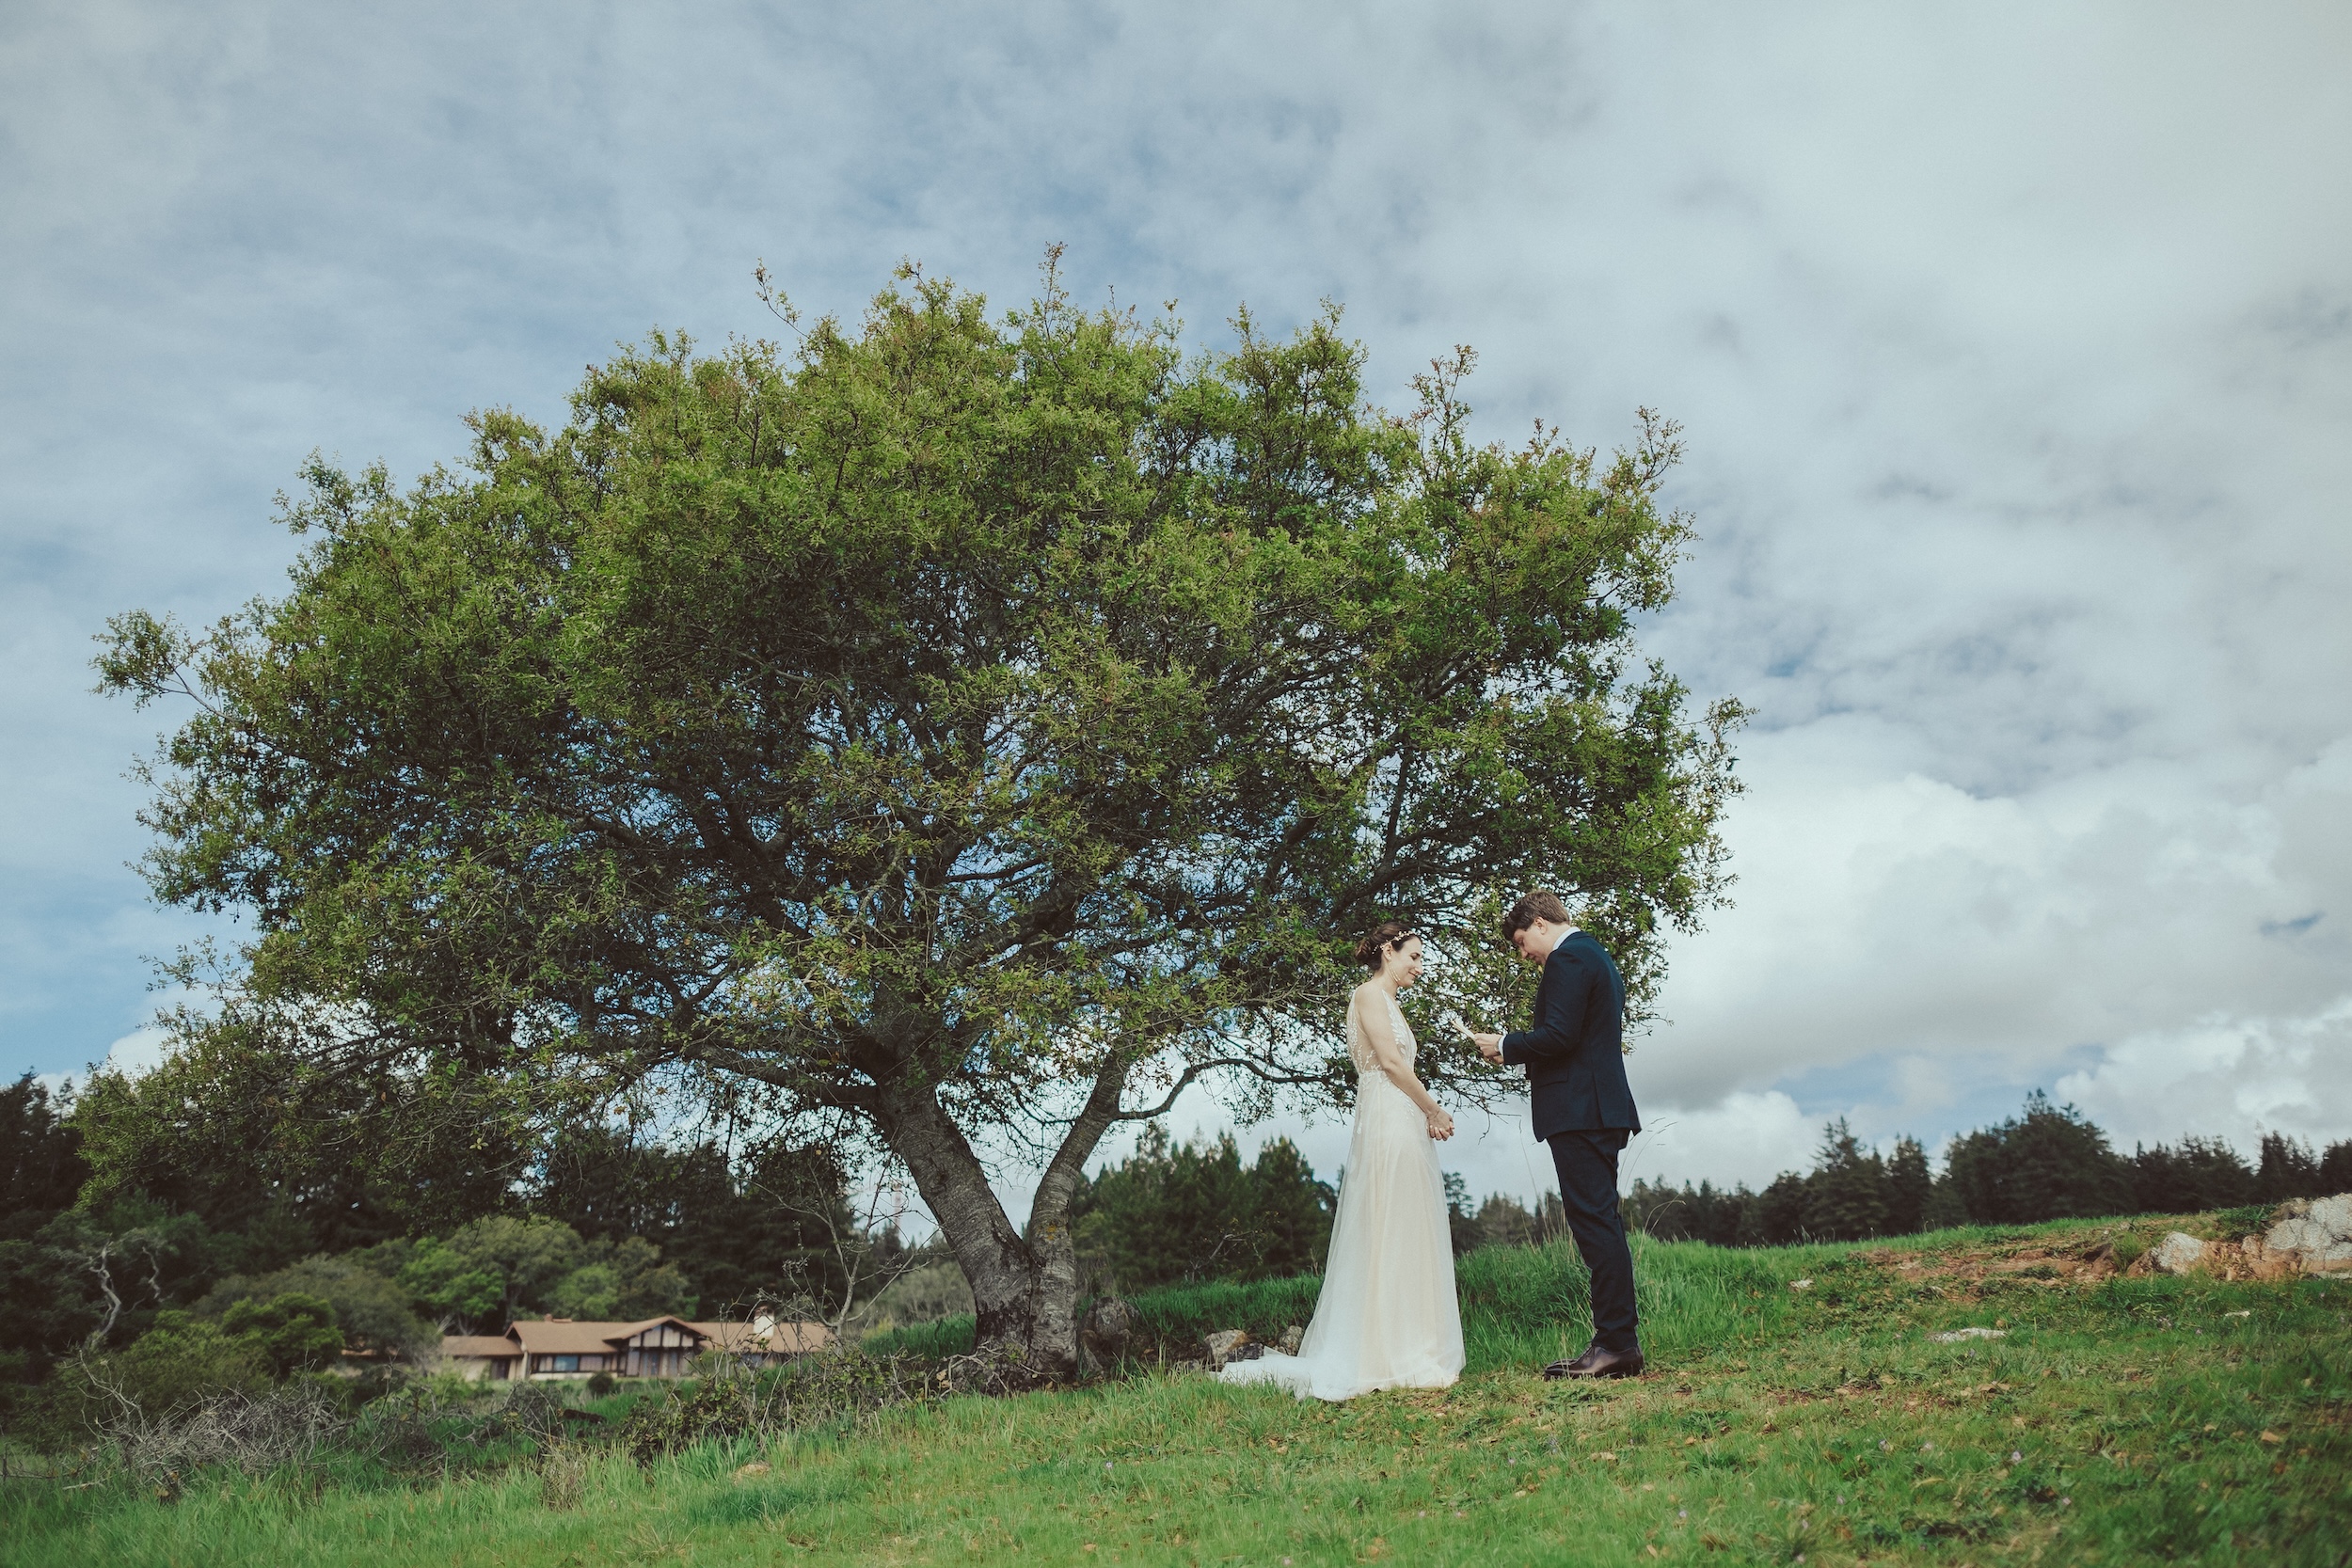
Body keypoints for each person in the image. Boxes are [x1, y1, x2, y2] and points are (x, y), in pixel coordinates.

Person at [1219, 921, 1465, 1400]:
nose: (1419, 966)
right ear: (1388, 952)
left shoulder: (1390, 1002)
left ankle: (1410, 1342)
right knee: (1389, 1226)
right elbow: (1392, 1066)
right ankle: (1386, 1351)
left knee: (1407, 1227)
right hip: (1389, 1118)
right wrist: (1432, 1107)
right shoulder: (1369, 995)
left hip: (1401, 1117)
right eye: (1413, 956)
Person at [1470, 890, 1645, 1379]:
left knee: (1595, 1225)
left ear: (1542, 923)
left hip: (1580, 1110)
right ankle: (1617, 1342)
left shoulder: (1568, 960)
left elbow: (1561, 1035)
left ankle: (1616, 1346)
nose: (1524, 953)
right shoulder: (1597, 956)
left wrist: (1504, 1043)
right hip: (1599, 1107)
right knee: (1601, 1222)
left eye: (1523, 941)